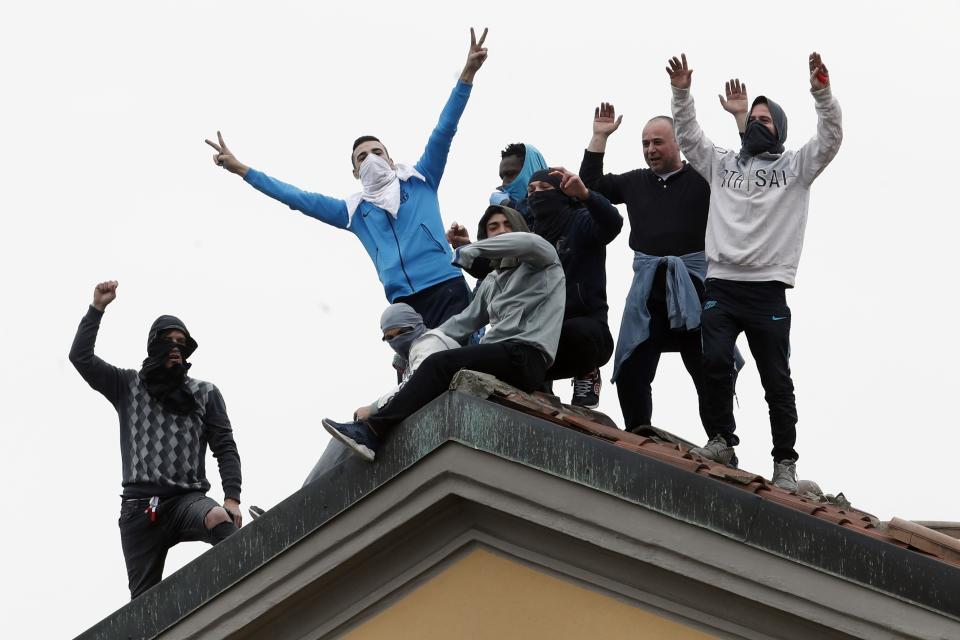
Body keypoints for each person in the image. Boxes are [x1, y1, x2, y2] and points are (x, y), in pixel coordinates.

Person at [204, 28, 490, 329]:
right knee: (422, 371)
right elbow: (295, 197)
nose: (371, 158)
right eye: (362, 157)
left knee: (463, 362)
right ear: (355, 172)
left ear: (391, 160)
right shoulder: (354, 212)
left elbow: (444, 129)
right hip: (403, 303)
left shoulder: (422, 179)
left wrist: (468, 73)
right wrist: (241, 170)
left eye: (377, 152)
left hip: (445, 285)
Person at [667, 52, 842, 490]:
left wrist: (821, 91)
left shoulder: (795, 168)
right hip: (722, 285)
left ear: (779, 129)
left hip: (768, 292)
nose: (759, 124)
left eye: (767, 120)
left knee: (776, 380)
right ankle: (722, 439)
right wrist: (681, 91)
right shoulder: (723, 165)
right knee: (714, 361)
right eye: (755, 118)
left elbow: (831, 136)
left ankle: (785, 462)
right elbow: (689, 137)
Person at [322, 207, 565, 461]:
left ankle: (372, 431)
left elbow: (524, 243)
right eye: (493, 228)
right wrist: (423, 339)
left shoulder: (543, 257)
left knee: (440, 365)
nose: (501, 231)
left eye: (507, 225)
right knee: (435, 367)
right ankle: (390, 431)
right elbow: (464, 321)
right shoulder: (492, 281)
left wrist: (470, 250)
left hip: (527, 354)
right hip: (501, 357)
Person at [69, 281, 243, 598]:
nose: (175, 347)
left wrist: (232, 497)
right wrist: (97, 309)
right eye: (168, 341)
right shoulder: (127, 385)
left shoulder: (205, 393)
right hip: (139, 511)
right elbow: (81, 358)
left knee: (217, 516)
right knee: (143, 606)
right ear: (154, 346)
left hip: (186, 500)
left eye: (181, 342)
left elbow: (224, 446)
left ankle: (251, 575)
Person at [579, 105, 714, 435]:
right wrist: (599, 137)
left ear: (678, 142)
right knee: (630, 367)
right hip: (648, 289)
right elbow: (590, 185)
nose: (651, 150)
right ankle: (639, 432)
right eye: (645, 144)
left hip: (694, 286)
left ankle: (721, 440)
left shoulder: (704, 178)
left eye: (657, 142)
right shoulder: (635, 181)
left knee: (711, 370)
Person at [525, 167, 622, 407]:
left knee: (579, 332)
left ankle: (587, 371)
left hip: (585, 331)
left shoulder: (581, 221)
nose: (536, 194)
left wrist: (586, 195)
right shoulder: (530, 237)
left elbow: (612, 223)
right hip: (541, 332)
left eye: (544, 188)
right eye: (531, 190)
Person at [490, 142, 548, 227]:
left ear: (532, 169)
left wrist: (507, 205)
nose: (504, 183)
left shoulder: (563, 196)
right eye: (502, 177)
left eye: (510, 174)